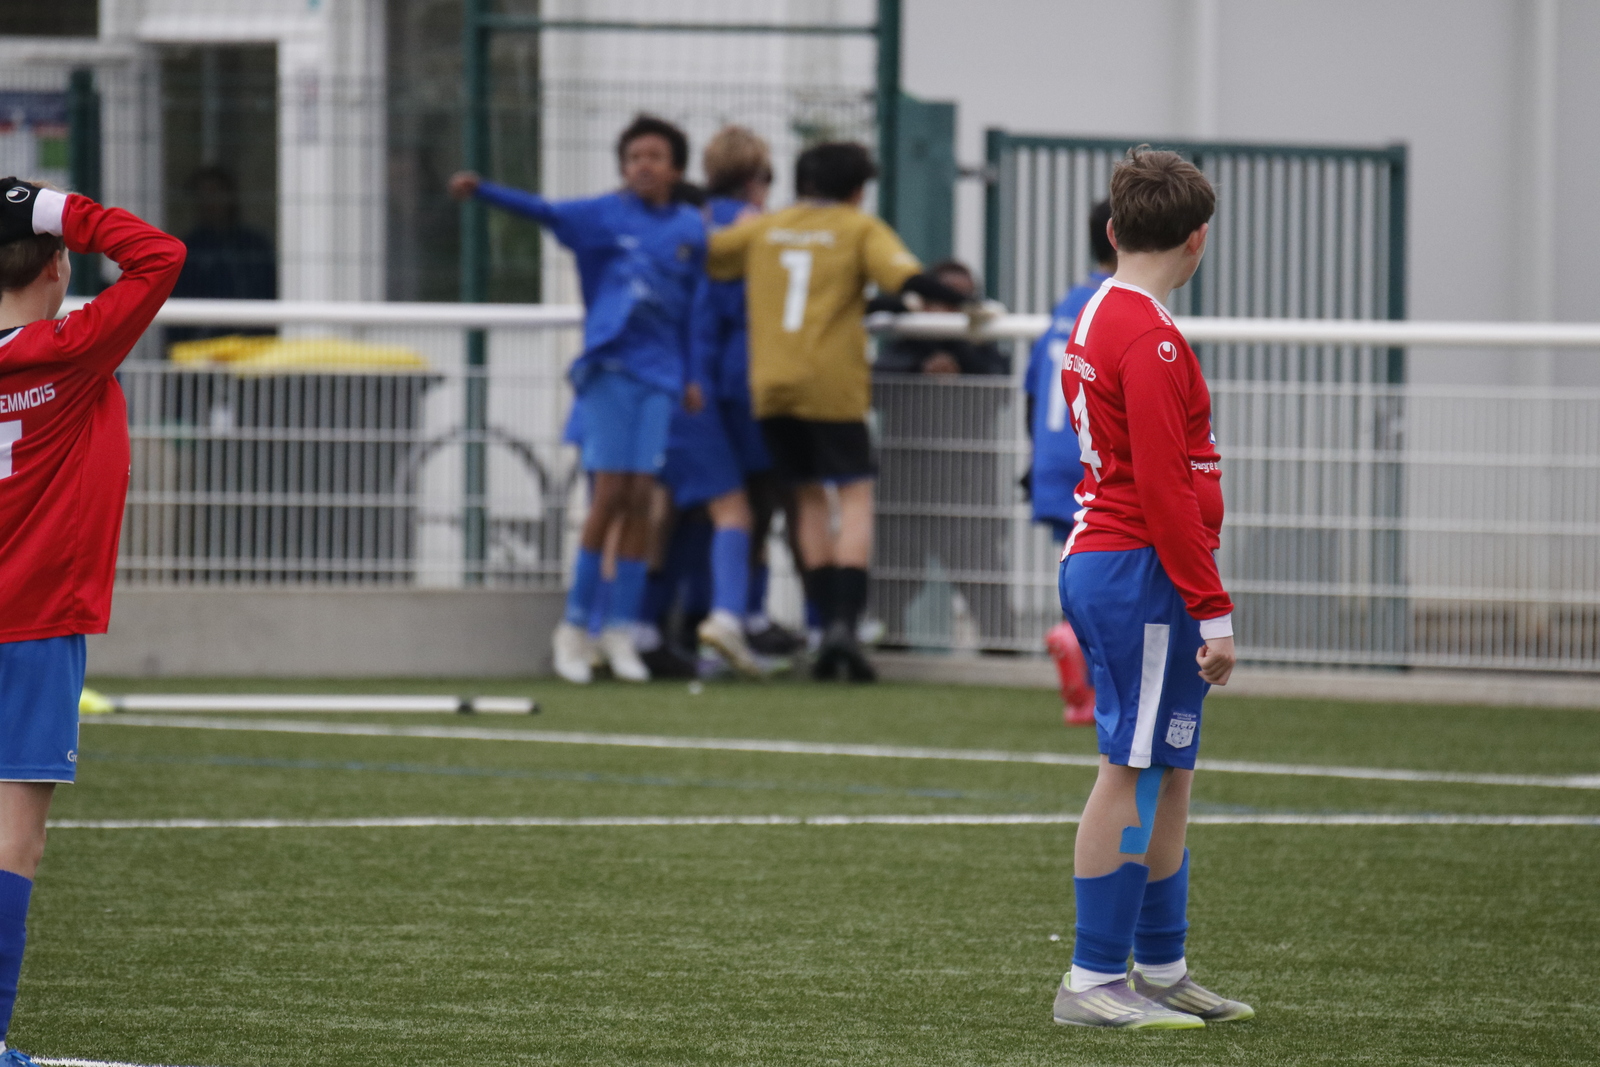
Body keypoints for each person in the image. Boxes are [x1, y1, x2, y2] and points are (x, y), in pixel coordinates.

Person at [1050, 148, 1250, 1030]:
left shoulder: (1105, 310)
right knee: (1130, 768)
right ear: (1197, 239)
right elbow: (1167, 490)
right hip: (1140, 568)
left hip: (1121, 560)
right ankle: (1094, 977)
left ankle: (1161, 967)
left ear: (1112, 228)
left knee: (1169, 770)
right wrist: (1214, 607)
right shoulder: (1150, 335)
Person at [0, 177, 186, 1067]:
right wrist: (56, 205)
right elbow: (161, 255)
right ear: (59, 265)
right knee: (14, 840)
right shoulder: (70, 349)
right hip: (33, 629)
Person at [450, 114, 705, 684]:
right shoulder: (602, 215)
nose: (643, 165)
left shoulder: (690, 228)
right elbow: (544, 211)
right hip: (610, 368)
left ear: (676, 169)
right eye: (634, 157)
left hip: (661, 376)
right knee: (609, 495)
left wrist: (691, 375)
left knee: (642, 499)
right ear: (622, 167)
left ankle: (620, 631)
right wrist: (484, 191)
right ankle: (573, 630)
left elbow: (693, 307)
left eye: (655, 156)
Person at [706, 142, 973, 681]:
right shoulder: (857, 227)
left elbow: (712, 255)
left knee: (807, 498)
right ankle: (844, 628)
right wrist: (967, 303)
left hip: (772, 385)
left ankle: (823, 622)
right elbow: (907, 279)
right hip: (831, 385)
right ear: (857, 190)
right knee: (854, 498)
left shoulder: (766, 226)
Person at [659, 125, 775, 677]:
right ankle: (736, 618)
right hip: (726, 382)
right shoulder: (756, 229)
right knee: (746, 504)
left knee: (682, 510)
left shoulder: (691, 222)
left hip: (671, 376)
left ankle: (661, 625)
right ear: (756, 178)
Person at [1026, 199, 1116, 727]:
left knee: (1080, 564)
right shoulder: (1121, 308)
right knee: (1115, 568)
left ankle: (1083, 685)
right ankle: (1086, 660)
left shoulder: (1069, 303)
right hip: (1094, 461)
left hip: (1052, 454)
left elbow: (1033, 385)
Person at [872, 259, 1008, 376]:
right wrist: (919, 369)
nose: (959, 307)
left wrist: (963, 363)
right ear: (926, 302)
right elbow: (881, 375)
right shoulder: (908, 336)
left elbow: (998, 375)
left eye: (967, 299)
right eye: (949, 298)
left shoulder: (978, 342)